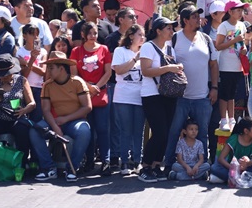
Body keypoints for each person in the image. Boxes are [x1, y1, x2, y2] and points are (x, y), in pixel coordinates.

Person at [164, 6, 219, 168]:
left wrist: (214, 87)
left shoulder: (206, 39)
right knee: (174, 132)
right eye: (194, 17)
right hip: (180, 97)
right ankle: (169, 164)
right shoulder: (174, 39)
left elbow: (214, 65)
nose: (198, 20)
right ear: (186, 20)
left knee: (202, 134)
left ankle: (201, 166)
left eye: (198, 16)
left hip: (203, 97)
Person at [29, 51, 92, 182]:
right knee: (35, 130)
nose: (48, 71)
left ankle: (72, 167)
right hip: (54, 122)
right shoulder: (47, 85)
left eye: (51, 68)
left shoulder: (77, 82)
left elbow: (87, 107)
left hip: (74, 122)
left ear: (61, 68)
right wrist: (55, 127)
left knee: (84, 131)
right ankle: (48, 167)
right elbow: (46, 110)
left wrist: (66, 119)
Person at [139, 17, 183, 182]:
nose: (172, 31)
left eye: (172, 28)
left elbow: (171, 69)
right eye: (168, 28)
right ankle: (145, 166)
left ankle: (157, 165)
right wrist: (169, 68)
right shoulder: (148, 47)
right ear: (158, 30)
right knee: (159, 132)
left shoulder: (170, 48)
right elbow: (146, 71)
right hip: (152, 95)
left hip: (169, 94)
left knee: (167, 133)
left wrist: (177, 69)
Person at [71, 21, 113, 175]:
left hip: (100, 93)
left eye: (95, 33)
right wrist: (88, 87)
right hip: (84, 94)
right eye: (89, 33)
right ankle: (88, 160)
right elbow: (74, 74)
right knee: (88, 129)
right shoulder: (76, 51)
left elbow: (108, 72)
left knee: (102, 129)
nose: (93, 36)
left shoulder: (104, 49)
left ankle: (105, 161)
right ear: (83, 35)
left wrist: (97, 87)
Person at [112, 24, 145, 175]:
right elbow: (118, 70)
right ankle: (124, 161)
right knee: (125, 130)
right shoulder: (120, 51)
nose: (142, 38)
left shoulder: (145, 52)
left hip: (140, 96)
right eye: (140, 35)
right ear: (131, 36)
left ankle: (137, 160)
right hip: (123, 96)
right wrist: (135, 59)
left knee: (139, 131)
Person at [215, 0, 248, 130]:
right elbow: (218, 46)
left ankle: (232, 118)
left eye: (241, 10)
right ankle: (223, 119)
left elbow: (243, 43)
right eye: (238, 10)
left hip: (237, 65)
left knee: (232, 94)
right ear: (230, 11)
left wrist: (244, 49)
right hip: (225, 66)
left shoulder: (242, 25)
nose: (240, 13)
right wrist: (234, 40)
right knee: (224, 93)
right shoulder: (224, 26)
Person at [209, 116, 252, 184]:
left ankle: (232, 180)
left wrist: (248, 163)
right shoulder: (234, 139)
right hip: (231, 168)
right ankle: (245, 180)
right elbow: (221, 159)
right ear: (246, 131)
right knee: (214, 168)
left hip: (247, 170)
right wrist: (233, 169)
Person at [16, 24, 47, 123]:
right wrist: (31, 61)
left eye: (37, 34)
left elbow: (43, 72)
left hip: (38, 88)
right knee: (22, 117)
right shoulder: (20, 52)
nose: (35, 37)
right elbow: (24, 75)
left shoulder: (43, 52)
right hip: (24, 88)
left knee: (37, 118)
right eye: (32, 34)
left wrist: (28, 62)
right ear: (24, 36)